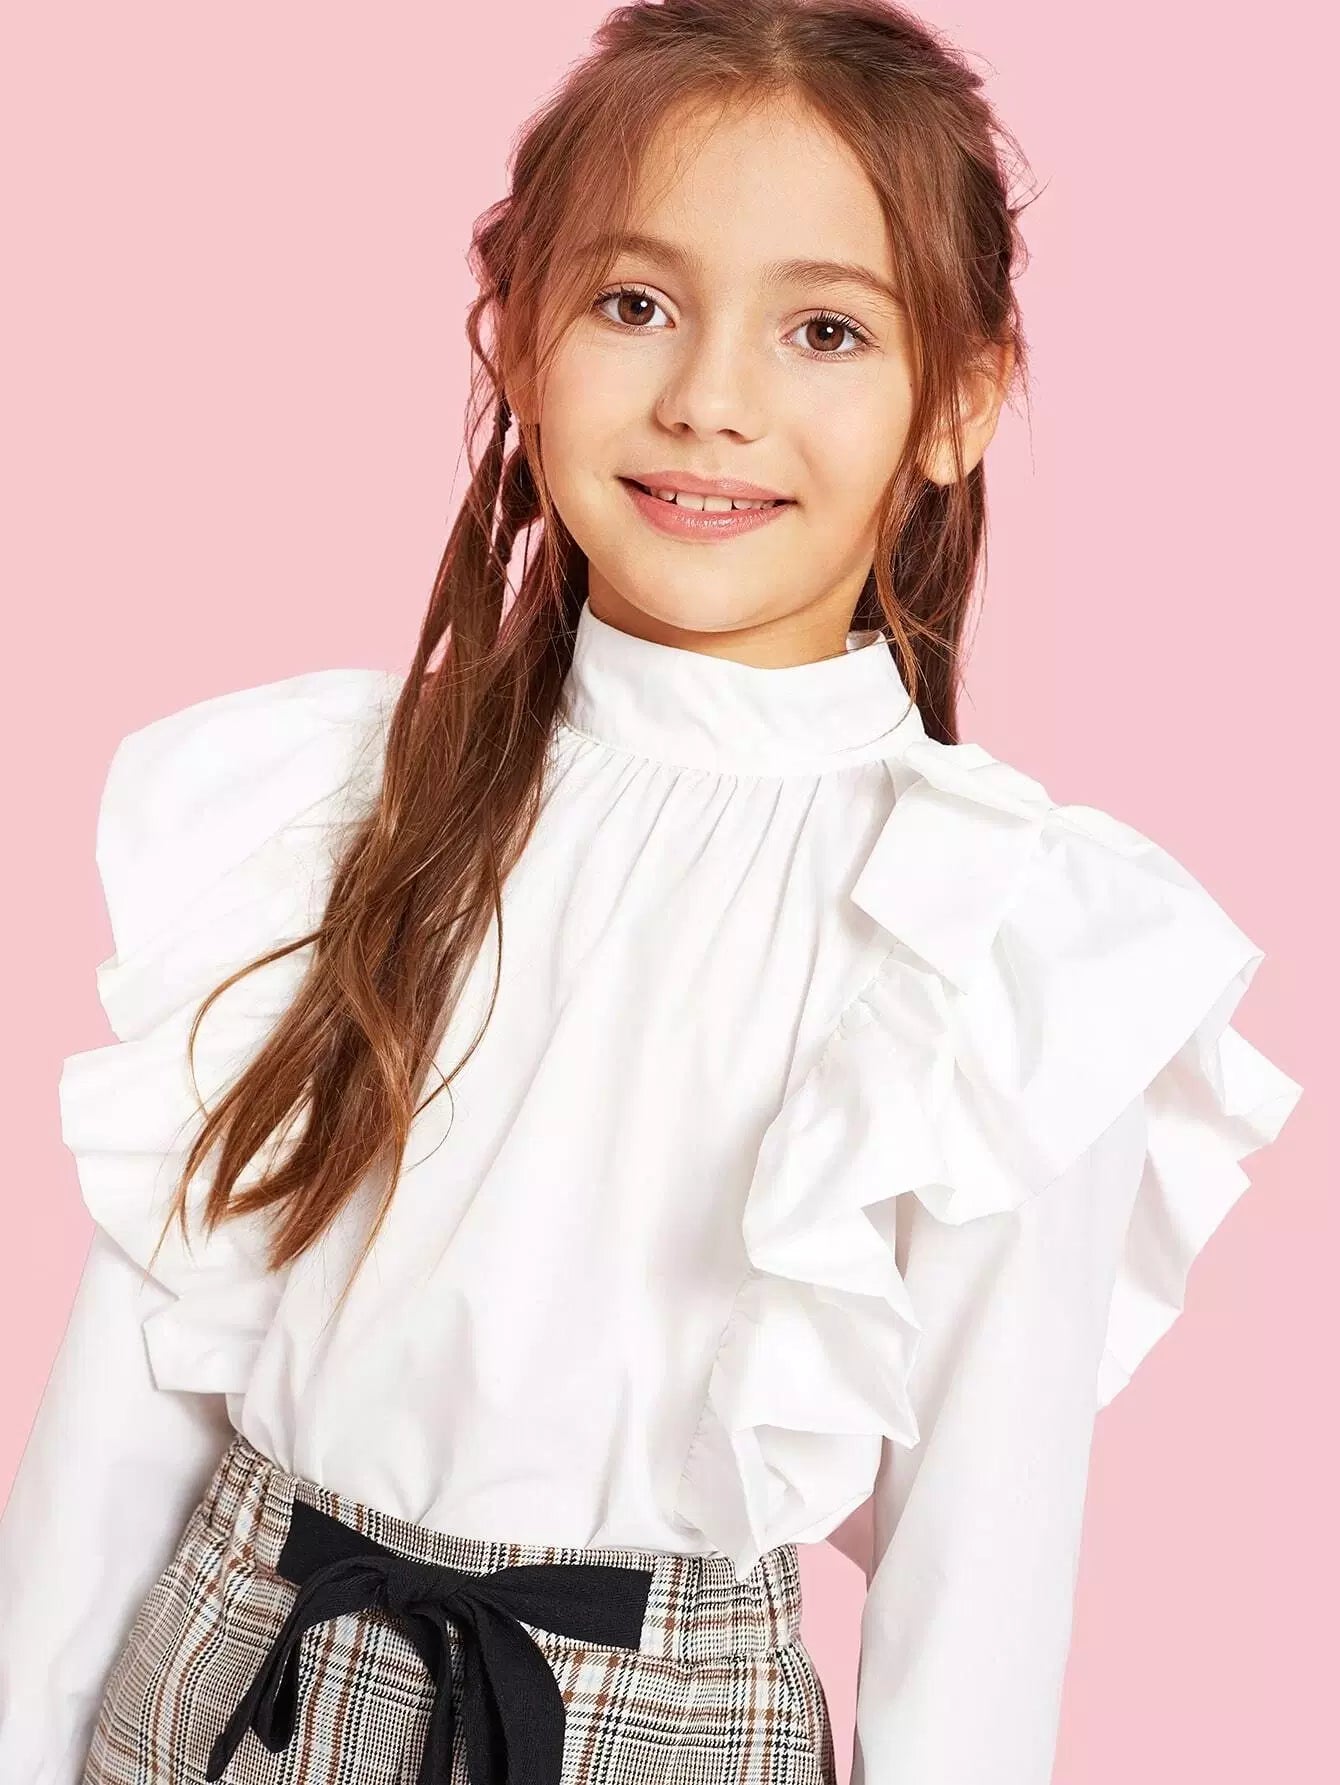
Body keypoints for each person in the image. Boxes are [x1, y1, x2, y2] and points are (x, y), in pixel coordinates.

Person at [0, 2, 1304, 1783]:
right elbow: (131, 1392)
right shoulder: (325, 801)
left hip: (653, 1724)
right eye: (634, 303)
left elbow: (978, 1587)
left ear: (962, 396)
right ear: (515, 333)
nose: (710, 398)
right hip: (229, 1674)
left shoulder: (999, 937)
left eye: (825, 328)